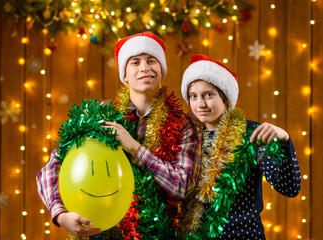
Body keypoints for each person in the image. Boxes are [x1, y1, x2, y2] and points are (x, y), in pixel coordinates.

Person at [36, 32, 201, 239]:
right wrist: (59, 214)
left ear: (162, 71)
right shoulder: (101, 116)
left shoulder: (184, 126)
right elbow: (51, 167)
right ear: (124, 75)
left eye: (151, 61)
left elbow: (182, 186)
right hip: (102, 229)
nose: (144, 68)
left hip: (157, 232)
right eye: (135, 62)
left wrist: (135, 148)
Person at [179, 54, 301, 239]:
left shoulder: (250, 134)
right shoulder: (187, 138)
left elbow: (289, 187)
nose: (200, 104)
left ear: (225, 98)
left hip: (243, 234)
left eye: (208, 95)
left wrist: (284, 141)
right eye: (193, 96)